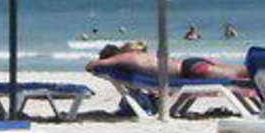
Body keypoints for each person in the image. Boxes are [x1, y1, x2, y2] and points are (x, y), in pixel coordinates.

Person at [88, 44, 251, 83]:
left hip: (189, 70)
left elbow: (95, 64)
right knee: (242, 71)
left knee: (239, 74)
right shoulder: (135, 55)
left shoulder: (122, 58)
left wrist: (94, 67)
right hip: (191, 64)